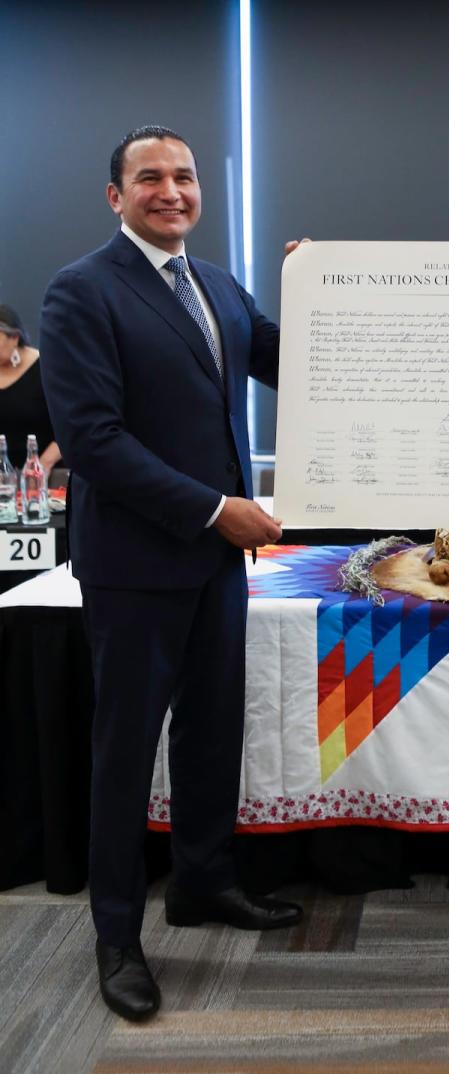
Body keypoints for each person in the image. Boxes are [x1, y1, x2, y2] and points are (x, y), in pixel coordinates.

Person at [40, 125, 304, 1023]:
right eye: (148, 176)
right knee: (124, 757)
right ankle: (116, 935)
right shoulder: (81, 292)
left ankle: (202, 882)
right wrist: (213, 509)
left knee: (209, 732)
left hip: (217, 566)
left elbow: (295, 361)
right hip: (138, 566)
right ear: (115, 196)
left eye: (184, 176)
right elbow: (94, 441)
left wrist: (320, 288)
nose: (171, 190)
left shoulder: (219, 286)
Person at [0, 305, 61, 474]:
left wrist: (43, 465)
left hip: (45, 476)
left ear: (14, 337)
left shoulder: (47, 369)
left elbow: (72, 426)